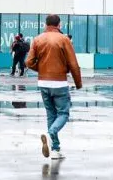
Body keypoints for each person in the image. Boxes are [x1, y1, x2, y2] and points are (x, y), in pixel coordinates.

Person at [27, 14, 83, 160]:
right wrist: (78, 83)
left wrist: (42, 70)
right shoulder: (64, 39)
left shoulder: (37, 39)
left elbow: (29, 62)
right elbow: (73, 64)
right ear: (59, 25)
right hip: (59, 82)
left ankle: (55, 149)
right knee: (63, 114)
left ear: (46, 25)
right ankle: (51, 133)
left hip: (43, 83)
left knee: (51, 114)